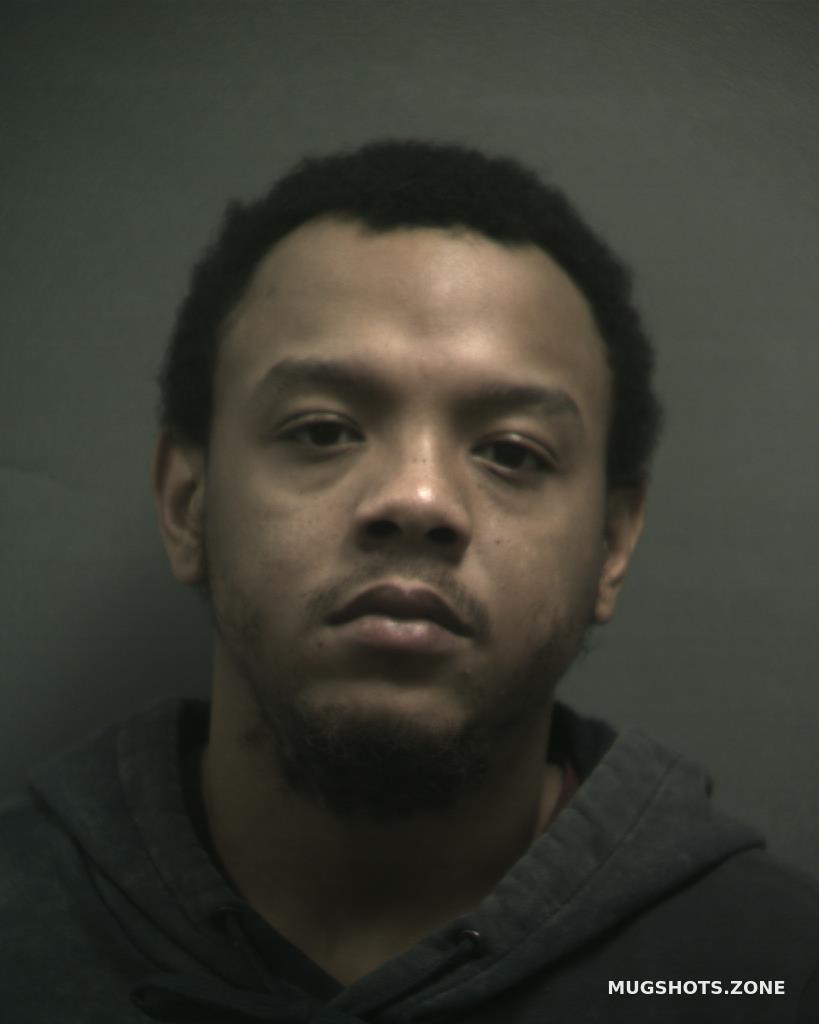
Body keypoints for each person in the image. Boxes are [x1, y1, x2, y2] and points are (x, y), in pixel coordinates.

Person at [1, 140, 817, 1023]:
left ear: (611, 547)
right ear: (186, 506)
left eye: (511, 452)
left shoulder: (773, 976)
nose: (418, 500)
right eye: (322, 430)